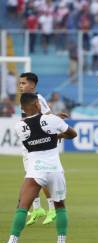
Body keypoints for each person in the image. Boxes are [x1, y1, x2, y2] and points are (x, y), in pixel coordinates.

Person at [0, 92, 77, 243]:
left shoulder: (19, 126)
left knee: (23, 206)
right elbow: (73, 133)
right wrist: (58, 135)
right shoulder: (52, 120)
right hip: (55, 169)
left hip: (36, 171)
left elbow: (35, 137)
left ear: (22, 108)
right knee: (60, 206)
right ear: (37, 104)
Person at [19, 72, 68, 226]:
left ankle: (52, 208)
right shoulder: (26, 100)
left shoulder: (38, 99)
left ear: (32, 85)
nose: (21, 86)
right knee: (31, 175)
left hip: (38, 146)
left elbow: (46, 118)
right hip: (29, 144)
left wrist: (56, 130)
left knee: (38, 177)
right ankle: (37, 209)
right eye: (20, 83)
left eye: (23, 83)